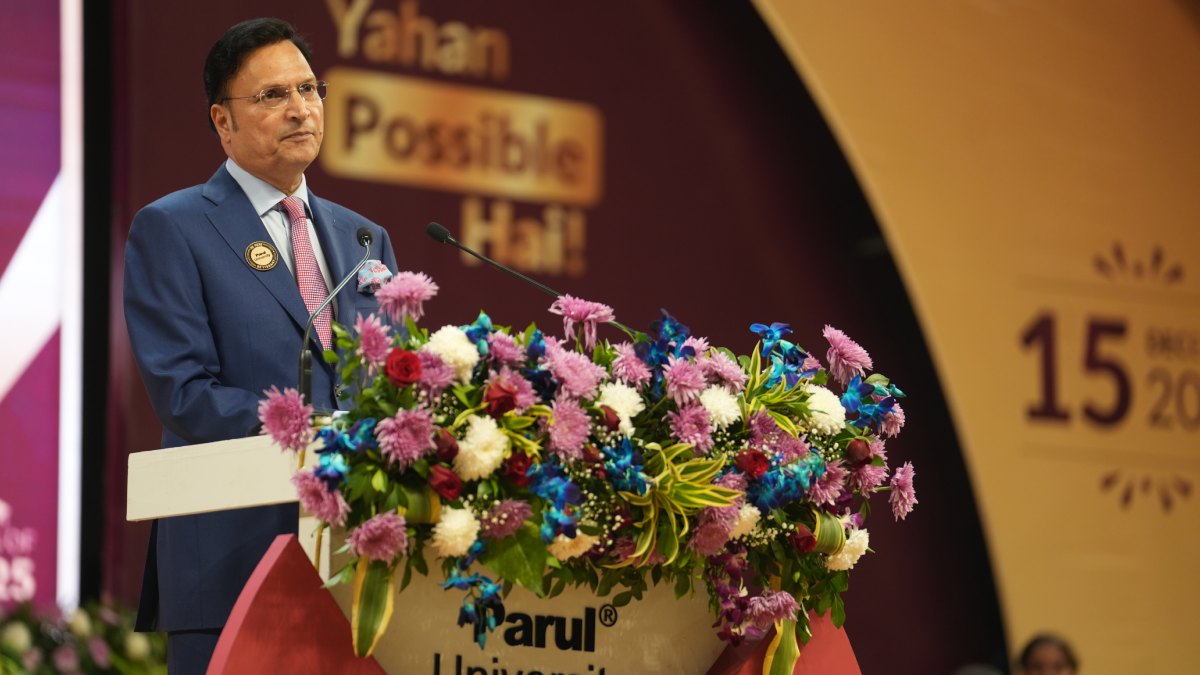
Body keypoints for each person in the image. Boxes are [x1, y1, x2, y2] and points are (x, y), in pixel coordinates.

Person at [123, 18, 398, 674]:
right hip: (230, 559)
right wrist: (315, 433)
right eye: (273, 95)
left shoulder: (365, 240)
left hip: (353, 566)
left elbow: (392, 383)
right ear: (223, 121)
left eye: (309, 88)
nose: (301, 108)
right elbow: (184, 393)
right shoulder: (174, 227)